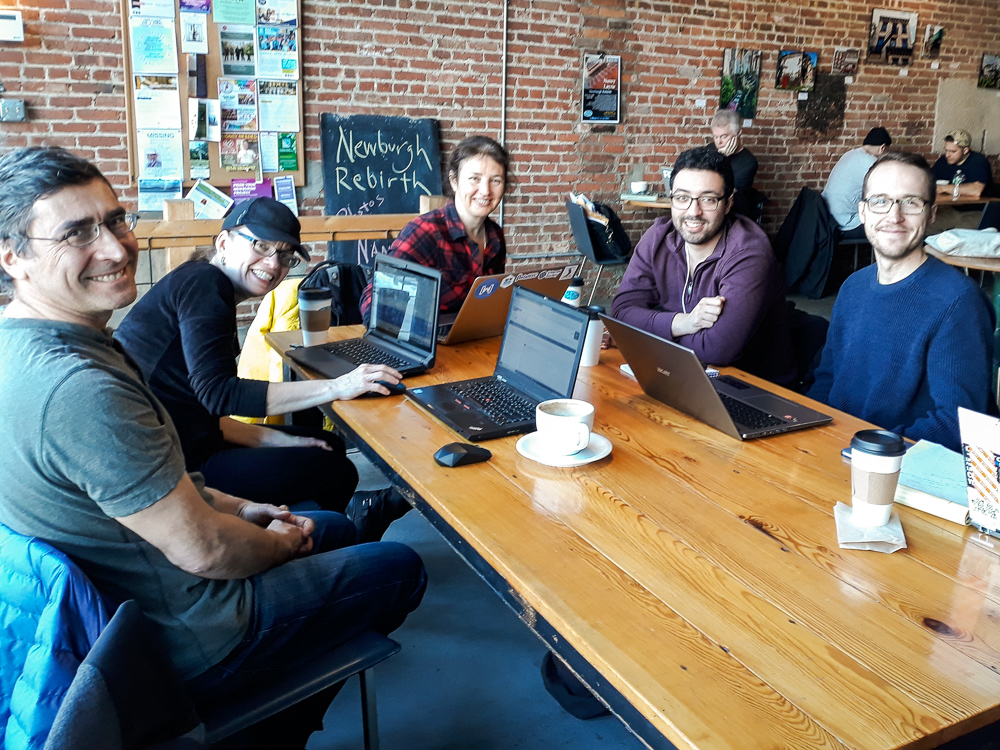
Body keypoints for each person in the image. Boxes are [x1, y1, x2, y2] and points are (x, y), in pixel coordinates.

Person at [0, 146, 426, 749]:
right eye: (76, 234)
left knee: (329, 523)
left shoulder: (38, 345)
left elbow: (170, 464)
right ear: (13, 256)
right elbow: (203, 550)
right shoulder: (82, 385)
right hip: (181, 634)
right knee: (401, 566)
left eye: (117, 221)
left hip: (123, 601)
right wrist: (272, 543)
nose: (118, 248)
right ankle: (269, 727)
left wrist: (239, 508)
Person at [115, 197, 409, 539]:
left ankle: (313, 531)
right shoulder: (205, 284)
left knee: (327, 444)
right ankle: (314, 550)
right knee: (336, 470)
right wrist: (339, 386)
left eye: (285, 256)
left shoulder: (201, 282)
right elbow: (220, 394)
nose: (273, 264)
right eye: (261, 246)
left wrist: (271, 437)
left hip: (187, 440)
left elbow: (196, 406)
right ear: (224, 243)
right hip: (174, 468)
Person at [808, 152, 993, 452]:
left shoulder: (958, 302)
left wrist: (863, 451)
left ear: (931, 213)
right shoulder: (852, 287)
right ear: (863, 211)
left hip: (897, 465)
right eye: (880, 200)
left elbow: (959, 423)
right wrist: (806, 431)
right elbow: (827, 378)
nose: (894, 216)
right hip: (834, 448)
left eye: (911, 202)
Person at [610, 145, 796, 386]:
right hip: (681, 376)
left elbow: (717, 348)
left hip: (750, 388)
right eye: (682, 198)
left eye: (708, 199)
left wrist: (641, 333)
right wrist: (684, 322)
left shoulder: (749, 253)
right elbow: (621, 314)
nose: (693, 211)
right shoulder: (658, 238)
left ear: (728, 203)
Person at [359, 134, 510, 319]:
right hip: (424, 341)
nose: (486, 190)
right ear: (454, 181)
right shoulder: (425, 232)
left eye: (495, 180)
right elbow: (372, 304)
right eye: (474, 179)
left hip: (472, 340)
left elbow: (487, 304)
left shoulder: (495, 237)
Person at [822, 126, 892, 240]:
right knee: (890, 227)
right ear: (882, 148)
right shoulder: (871, 162)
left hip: (828, 217)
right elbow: (887, 190)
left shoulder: (850, 154)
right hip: (845, 223)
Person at [707, 109, 759, 218]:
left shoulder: (748, 162)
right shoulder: (710, 149)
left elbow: (722, 191)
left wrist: (721, 158)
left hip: (733, 215)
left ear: (738, 133)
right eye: (715, 136)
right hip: (709, 209)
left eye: (724, 136)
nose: (718, 142)